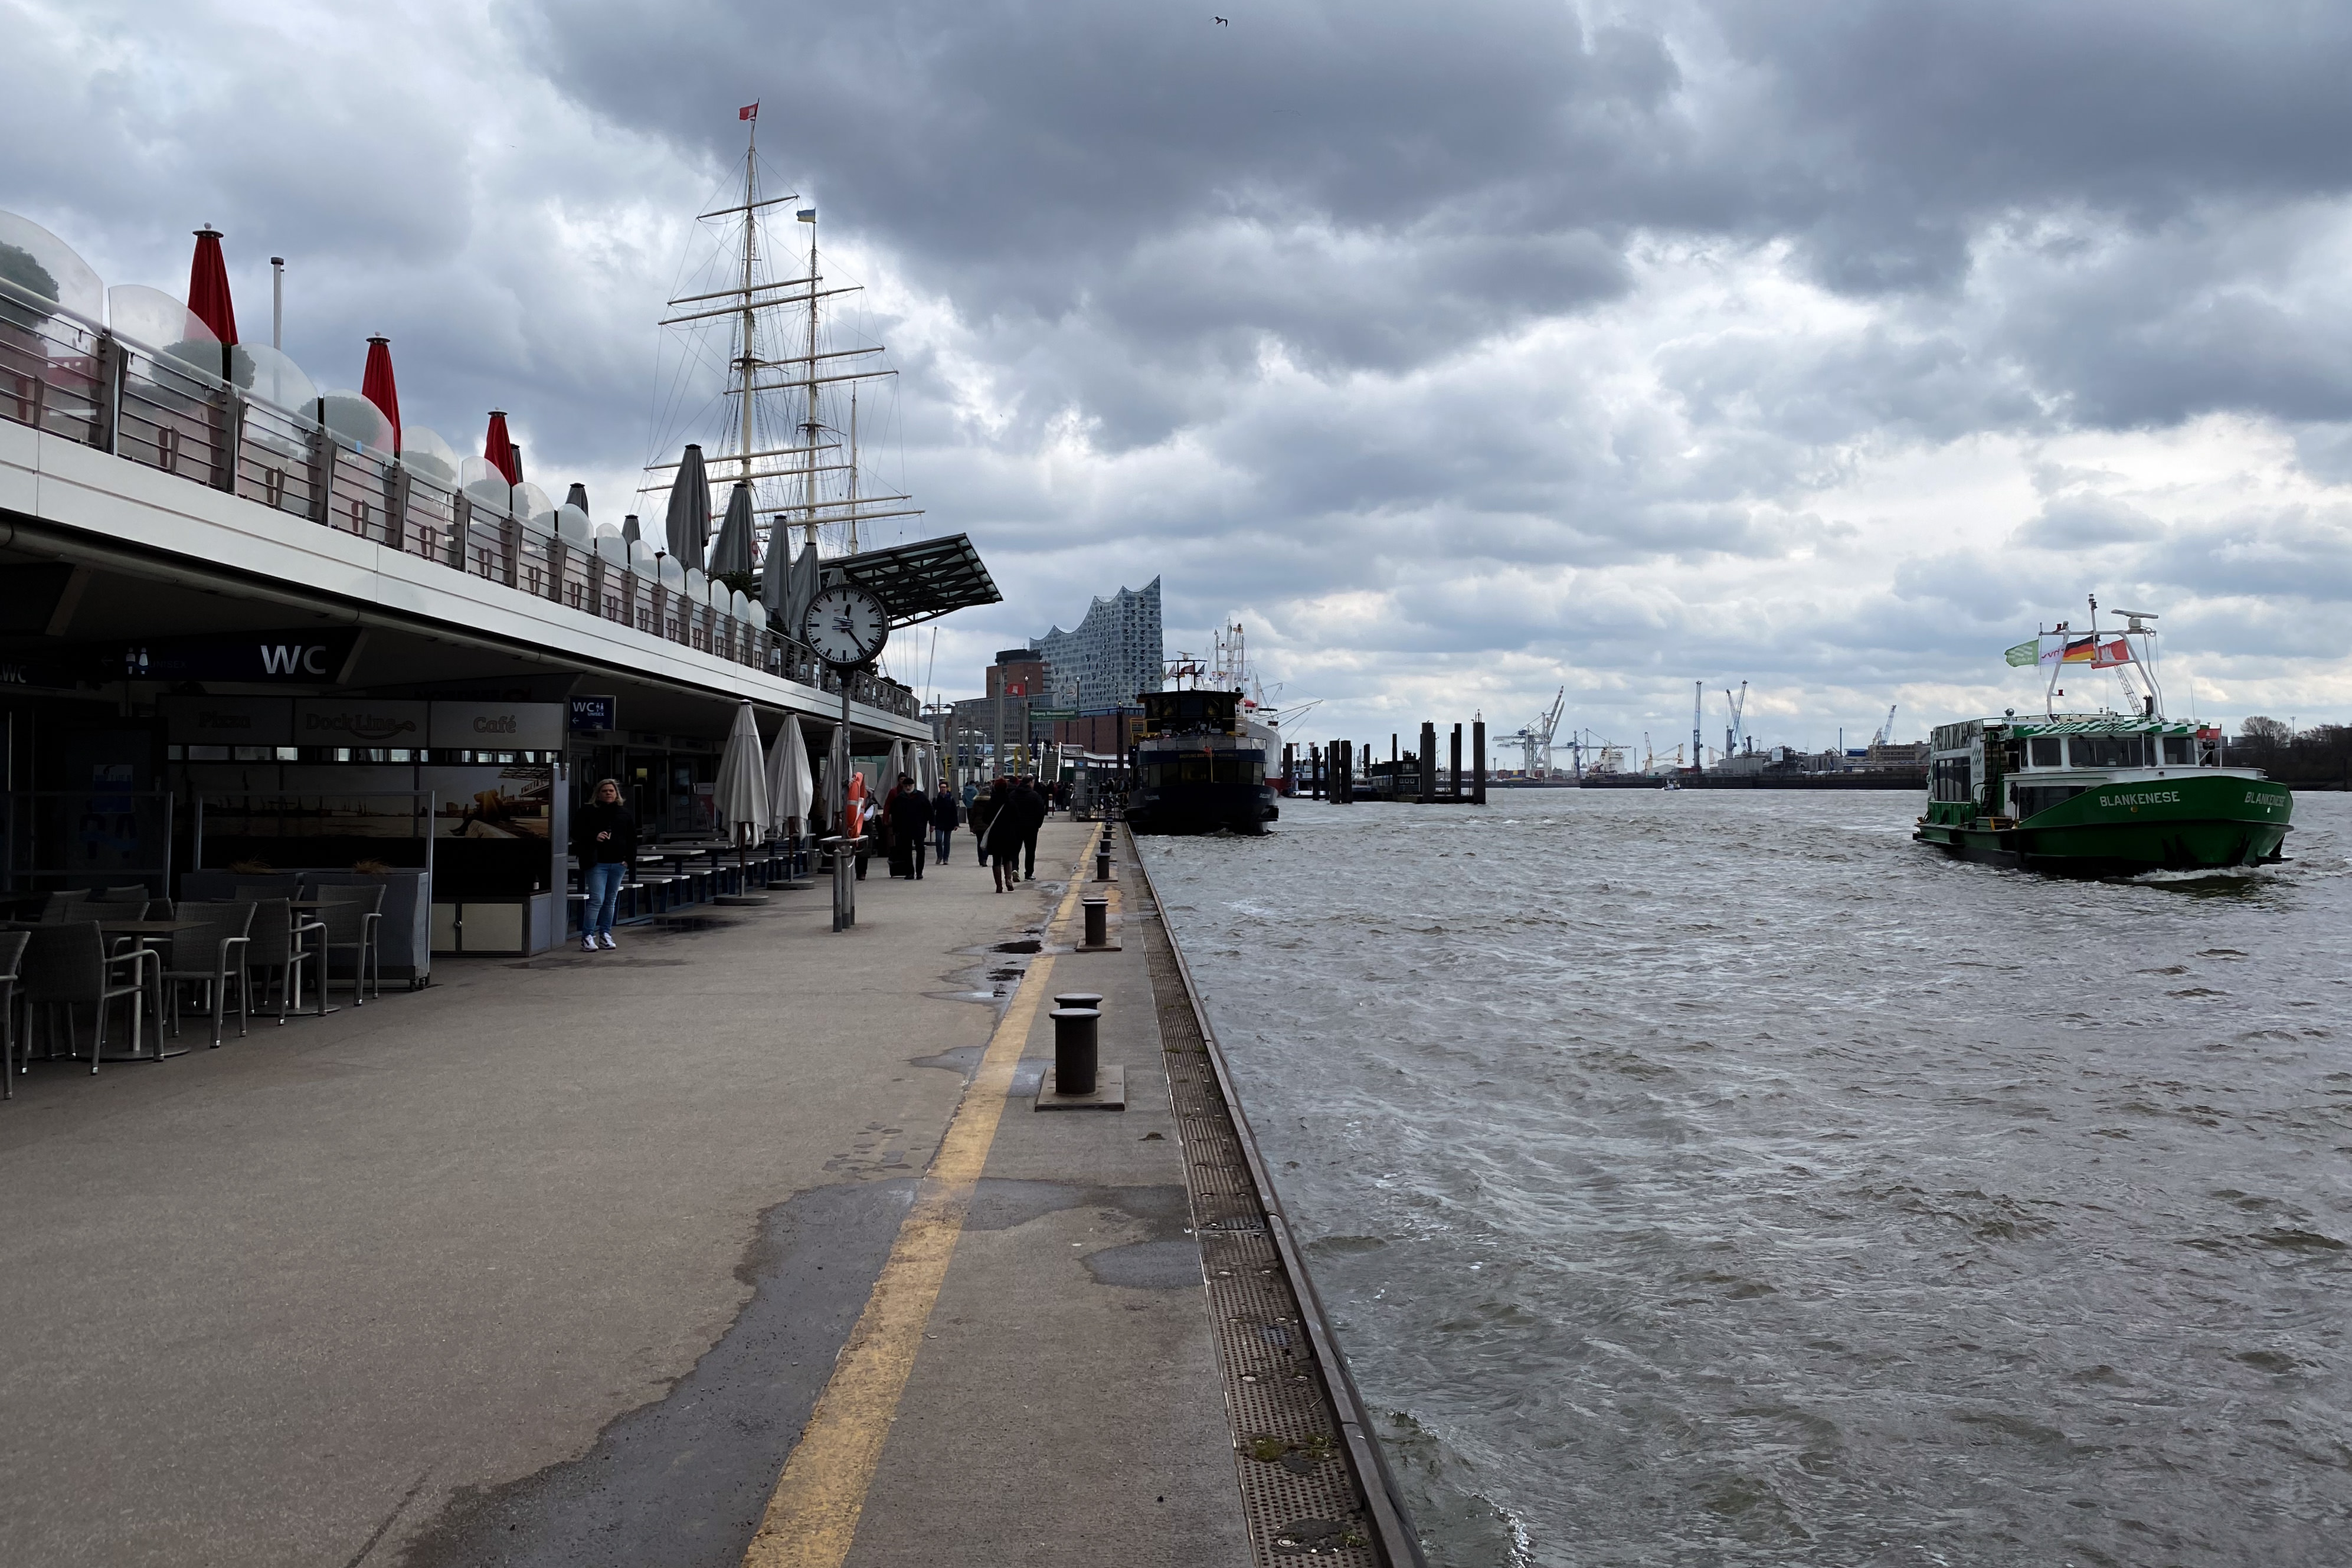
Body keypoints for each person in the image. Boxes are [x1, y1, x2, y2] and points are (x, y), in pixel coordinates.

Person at [571, 778, 636, 951]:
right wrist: (594, 836)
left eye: (611, 791)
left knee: (610, 900)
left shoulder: (624, 814)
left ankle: (606, 934)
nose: (608, 793)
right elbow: (575, 833)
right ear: (598, 794)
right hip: (596, 863)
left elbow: (632, 838)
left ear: (617, 794)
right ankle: (587, 936)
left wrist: (629, 860)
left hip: (618, 863)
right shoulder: (587, 812)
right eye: (605, 791)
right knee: (597, 900)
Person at [983, 779, 1024, 892]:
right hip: (1009, 834)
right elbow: (1017, 818)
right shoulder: (1010, 802)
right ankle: (1008, 880)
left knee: (996, 860)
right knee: (1008, 858)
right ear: (1006, 788)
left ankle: (999, 886)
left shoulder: (991, 802)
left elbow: (985, 819)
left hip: (995, 835)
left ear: (995, 788)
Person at [885, 774, 928, 879]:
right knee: (906, 851)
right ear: (903, 787)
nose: (908, 788)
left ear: (913, 786)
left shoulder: (921, 796)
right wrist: (896, 829)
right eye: (906, 786)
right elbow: (894, 814)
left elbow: (929, 810)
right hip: (905, 829)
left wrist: (932, 824)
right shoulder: (899, 798)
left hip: (919, 828)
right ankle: (910, 872)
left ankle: (919, 872)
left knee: (920, 850)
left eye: (910, 786)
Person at [1011, 775, 1047, 880]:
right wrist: (1038, 825)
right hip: (1031, 828)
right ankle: (1029, 874)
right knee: (1030, 851)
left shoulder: (1013, 795)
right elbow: (1041, 811)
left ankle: (1015, 869)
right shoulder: (1035, 796)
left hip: (1016, 827)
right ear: (1031, 783)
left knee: (1015, 850)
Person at [968, 779, 1000, 869]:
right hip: (988, 825)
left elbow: (972, 814)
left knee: (979, 842)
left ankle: (981, 859)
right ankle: (985, 859)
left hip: (978, 825)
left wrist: (971, 826)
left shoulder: (977, 802)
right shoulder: (991, 802)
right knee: (986, 842)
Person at [930, 781, 960, 866]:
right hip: (939, 823)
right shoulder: (936, 799)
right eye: (941, 787)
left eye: (944, 787)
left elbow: (954, 812)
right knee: (939, 840)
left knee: (947, 841)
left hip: (949, 823)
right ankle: (939, 856)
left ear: (947, 788)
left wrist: (956, 824)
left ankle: (946, 858)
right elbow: (932, 812)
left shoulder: (951, 799)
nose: (943, 789)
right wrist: (932, 823)